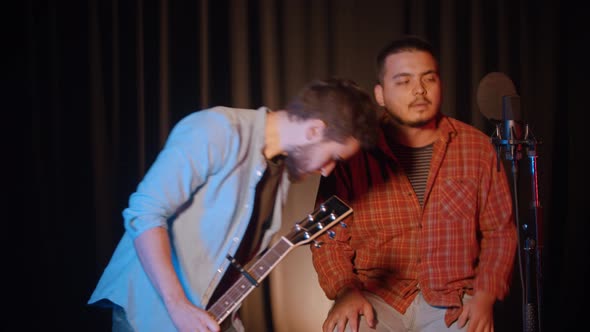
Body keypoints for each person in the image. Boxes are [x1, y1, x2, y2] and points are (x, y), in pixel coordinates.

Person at [88, 78, 378, 332]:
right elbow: (145, 213)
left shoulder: (279, 171)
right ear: (314, 130)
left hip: (209, 315)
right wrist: (177, 305)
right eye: (334, 158)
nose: (328, 171)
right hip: (152, 313)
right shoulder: (216, 130)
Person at [310, 36, 517, 332]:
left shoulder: (477, 148)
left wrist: (484, 296)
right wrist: (345, 291)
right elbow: (327, 238)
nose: (419, 90)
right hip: (375, 298)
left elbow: (500, 232)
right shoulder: (352, 152)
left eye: (428, 79)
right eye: (403, 81)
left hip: (452, 300)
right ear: (380, 94)